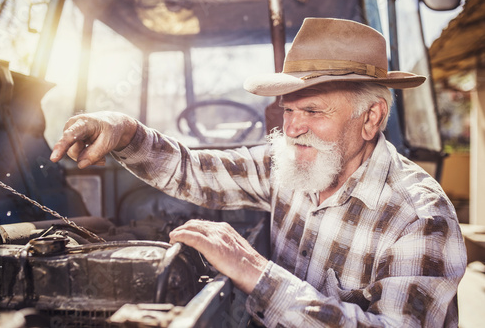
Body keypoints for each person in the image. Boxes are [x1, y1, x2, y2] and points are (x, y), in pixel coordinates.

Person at [50, 18, 466, 327]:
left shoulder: (418, 219)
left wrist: (256, 274)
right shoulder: (288, 163)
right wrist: (124, 132)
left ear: (371, 118)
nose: (293, 127)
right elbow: (193, 170)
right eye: (287, 110)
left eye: (313, 111)